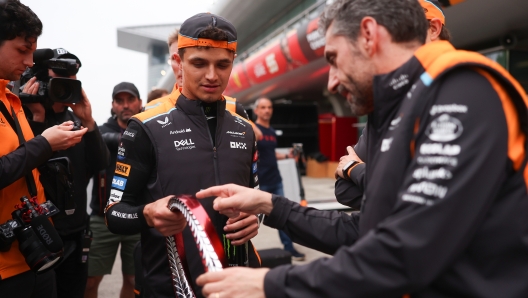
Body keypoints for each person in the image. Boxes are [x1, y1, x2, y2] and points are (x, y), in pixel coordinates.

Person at [194, 0, 528, 297]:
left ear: (368, 34)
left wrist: (269, 285)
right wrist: (271, 204)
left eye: (334, 59)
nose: (331, 81)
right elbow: (365, 231)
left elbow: (406, 252)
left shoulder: (463, 90)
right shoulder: (400, 110)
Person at [105, 13, 261, 298]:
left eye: (222, 64)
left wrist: (255, 218)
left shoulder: (244, 127)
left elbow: (254, 198)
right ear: (179, 62)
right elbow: (113, 214)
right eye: (199, 63)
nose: (212, 75)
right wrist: (147, 214)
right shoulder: (144, 127)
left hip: (237, 285)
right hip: (170, 287)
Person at [0, 1, 87, 296]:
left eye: (32, 51)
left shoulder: (12, 100)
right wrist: (46, 142)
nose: (28, 62)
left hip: (36, 252)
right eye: (23, 50)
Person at [333, 0, 451, 209]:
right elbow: (344, 190)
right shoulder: (389, 102)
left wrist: (355, 169)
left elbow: (436, 196)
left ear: (433, 29)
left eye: (399, 31)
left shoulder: (461, 90)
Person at [22, 48, 109, 298]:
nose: (63, 88)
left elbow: (101, 162)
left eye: (70, 83)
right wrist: (37, 118)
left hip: (75, 233)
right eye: (57, 81)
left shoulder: (77, 123)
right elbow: (22, 166)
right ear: (37, 81)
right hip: (39, 236)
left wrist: (89, 123)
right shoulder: (24, 119)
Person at [144, 29, 264, 140]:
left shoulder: (231, 105)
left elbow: (254, 137)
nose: (181, 67)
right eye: (174, 60)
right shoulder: (151, 109)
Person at [85, 82, 143, 298]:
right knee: (90, 281)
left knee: (133, 279)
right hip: (102, 217)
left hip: (137, 215)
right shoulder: (100, 131)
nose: (125, 105)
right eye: (120, 101)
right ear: (113, 105)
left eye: (130, 100)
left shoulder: (148, 129)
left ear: (140, 103)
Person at [253, 97, 305, 261]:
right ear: (256, 111)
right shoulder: (254, 129)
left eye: (269, 107)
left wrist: (287, 155)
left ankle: (289, 249)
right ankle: (241, 255)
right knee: (249, 220)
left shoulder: (271, 131)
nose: (267, 110)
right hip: (259, 182)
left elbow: (270, 154)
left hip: (276, 180)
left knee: (283, 217)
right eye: (263, 107)